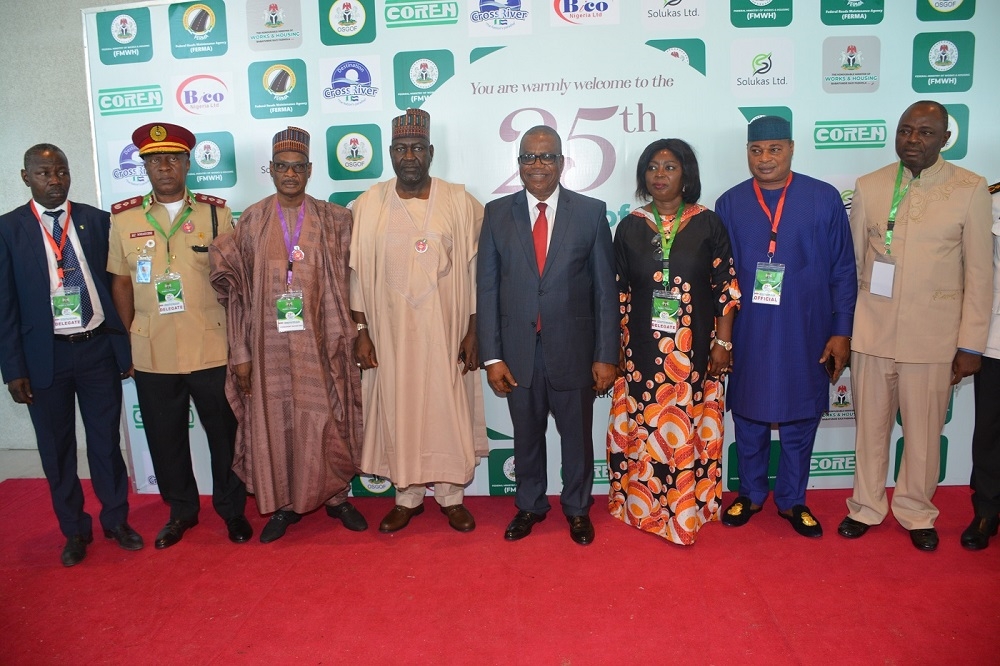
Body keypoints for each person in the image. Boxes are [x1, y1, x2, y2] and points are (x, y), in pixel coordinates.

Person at [839, 101, 993, 552]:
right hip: (872, 331)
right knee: (869, 428)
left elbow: (980, 277)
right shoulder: (871, 185)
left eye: (925, 133)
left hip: (935, 337)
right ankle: (865, 506)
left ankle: (916, 510)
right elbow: (850, 266)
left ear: (945, 138)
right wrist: (846, 334)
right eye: (906, 130)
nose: (912, 140)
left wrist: (971, 345)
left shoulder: (970, 189)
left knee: (924, 434)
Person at [210, 127, 366, 543]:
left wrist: (355, 335)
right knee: (276, 421)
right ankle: (282, 504)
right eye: (282, 166)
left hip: (322, 343)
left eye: (298, 167)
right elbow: (237, 296)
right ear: (272, 170)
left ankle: (335, 496)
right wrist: (240, 353)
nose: (290, 174)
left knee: (326, 415)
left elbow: (356, 282)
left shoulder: (335, 220)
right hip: (268, 349)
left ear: (310, 170)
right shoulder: (252, 222)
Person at [108, 122, 251, 549]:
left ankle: (232, 511)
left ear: (188, 163)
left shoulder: (216, 214)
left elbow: (235, 282)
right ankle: (182, 511)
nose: (164, 167)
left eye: (172, 158)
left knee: (224, 437)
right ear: (145, 168)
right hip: (153, 351)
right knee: (165, 438)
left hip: (210, 345)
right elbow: (119, 282)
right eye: (154, 160)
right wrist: (132, 334)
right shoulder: (124, 218)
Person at [715, 116, 857, 539]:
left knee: (800, 419)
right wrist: (723, 337)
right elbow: (721, 277)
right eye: (756, 150)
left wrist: (841, 331)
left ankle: (793, 500)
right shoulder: (731, 202)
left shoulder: (823, 197)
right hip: (750, 331)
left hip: (807, 329)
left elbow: (844, 271)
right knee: (750, 417)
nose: (765, 159)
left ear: (792, 148)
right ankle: (751, 493)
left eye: (774, 149)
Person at [478, 125, 619, 546]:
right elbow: (486, 289)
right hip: (518, 352)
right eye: (528, 157)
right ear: (518, 164)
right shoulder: (497, 213)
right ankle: (530, 506)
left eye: (547, 157)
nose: (537, 165)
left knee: (576, 439)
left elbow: (604, 291)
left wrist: (606, 353)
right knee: (526, 437)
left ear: (561, 162)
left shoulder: (591, 212)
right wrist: (492, 356)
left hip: (574, 351)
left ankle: (577, 509)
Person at [0, 145, 140, 566]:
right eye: (44, 173)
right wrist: (13, 369)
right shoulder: (8, 230)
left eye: (61, 171)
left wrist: (124, 348)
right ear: (26, 177)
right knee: (56, 450)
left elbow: (118, 287)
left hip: (97, 348)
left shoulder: (97, 221)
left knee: (105, 444)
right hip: (46, 358)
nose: (55, 180)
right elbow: (4, 305)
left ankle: (116, 520)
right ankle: (74, 530)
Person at [350, 109, 487, 533]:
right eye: (400, 149)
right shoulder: (369, 203)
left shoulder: (460, 202)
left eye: (417, 149)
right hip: (389, 334)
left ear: (430, 152)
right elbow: (356, 273)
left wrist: (473, 330)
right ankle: (406, 497)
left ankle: (451, 497)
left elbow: (478, 270)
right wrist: (362, 331)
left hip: (445, 331)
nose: (409, 156)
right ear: (391, 153)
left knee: (445, 407)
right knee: (398, 407)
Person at [607, 138, 740, 545]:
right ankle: (642, 509)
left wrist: (723, 343)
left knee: (689, 427)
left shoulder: (708, 222)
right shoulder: (631, 225)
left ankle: (688, 509)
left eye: (669, 167)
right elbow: (618, 292)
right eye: (652, 167)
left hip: (695, 350)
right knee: (645, 429)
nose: (659, 175)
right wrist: (614, 346)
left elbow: (726, 288)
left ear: (687, 175)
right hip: (641, 354)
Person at [962, 180, 1000, 550]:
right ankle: (987, 509)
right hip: (996, 340)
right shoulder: (990, 201)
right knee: (989, 430)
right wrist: (970, 341)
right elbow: (976, 275)